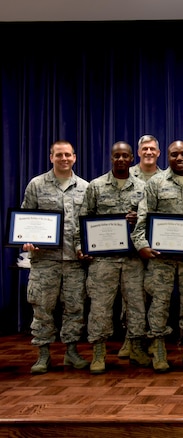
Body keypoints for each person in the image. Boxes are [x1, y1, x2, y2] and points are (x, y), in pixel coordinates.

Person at [131, 140, 183, 372]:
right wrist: (141, 245)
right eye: (175, 155)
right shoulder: (155, 183)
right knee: (159, 303)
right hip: (160, 258)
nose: (180, 158)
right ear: (168, 157)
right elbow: (142, 219)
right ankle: (159, 349)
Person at [76, 141, 150, 373]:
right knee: (99, 306)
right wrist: (81, 246)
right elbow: (83, 220)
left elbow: (149, 222)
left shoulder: (142, 187)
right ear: (111, 158)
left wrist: (137, 218)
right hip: (103, 260)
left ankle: (136, 347)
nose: (120, 160)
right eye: (116, 156)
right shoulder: (96, 186)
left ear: (131, 159)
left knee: (137, 305)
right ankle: (99, 352)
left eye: (125, 156)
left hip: (132, 258)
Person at [20, 140, 89, 374]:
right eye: (59, 155)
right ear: (51, 157)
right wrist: (27, 239)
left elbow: (86, 225)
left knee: (75, 308)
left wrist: (86, 247)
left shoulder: (85, 187)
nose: (64, 159)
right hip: (44, 260)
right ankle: (43, 355)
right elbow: (26, 217)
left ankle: (71, 352)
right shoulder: (37, 185)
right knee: (42, 308)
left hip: (74, 261)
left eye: (68, 155)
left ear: (75, 157)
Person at [118, 133, 163, 360]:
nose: (148, 152)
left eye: (152, 149)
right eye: (144, 148)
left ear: (158, 153)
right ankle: (131, 338)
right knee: (132, 295)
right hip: (128, 246)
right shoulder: (126, 174)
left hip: (157, 247)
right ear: (139, 152)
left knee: (155, 293)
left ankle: (155, 339)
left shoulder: (165, 177)